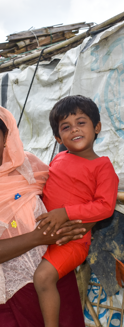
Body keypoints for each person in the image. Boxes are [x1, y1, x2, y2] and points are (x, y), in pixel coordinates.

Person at [0, 99, 94, 327]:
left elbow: (75, 202)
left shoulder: (28, 166)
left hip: (56, 282)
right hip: (8, 294)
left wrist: (82, 222)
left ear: (6, 137)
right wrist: (37, 238)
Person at [33, 95, 119, 327]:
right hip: (42, 233)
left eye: (81, 122)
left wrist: (66, 213)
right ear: (57, 137)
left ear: (97, 127)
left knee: (42, 278)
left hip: (72, 240)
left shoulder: (103, 166)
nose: (74, 130)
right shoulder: (59, 158)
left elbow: (104, 207)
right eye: (66, 127)